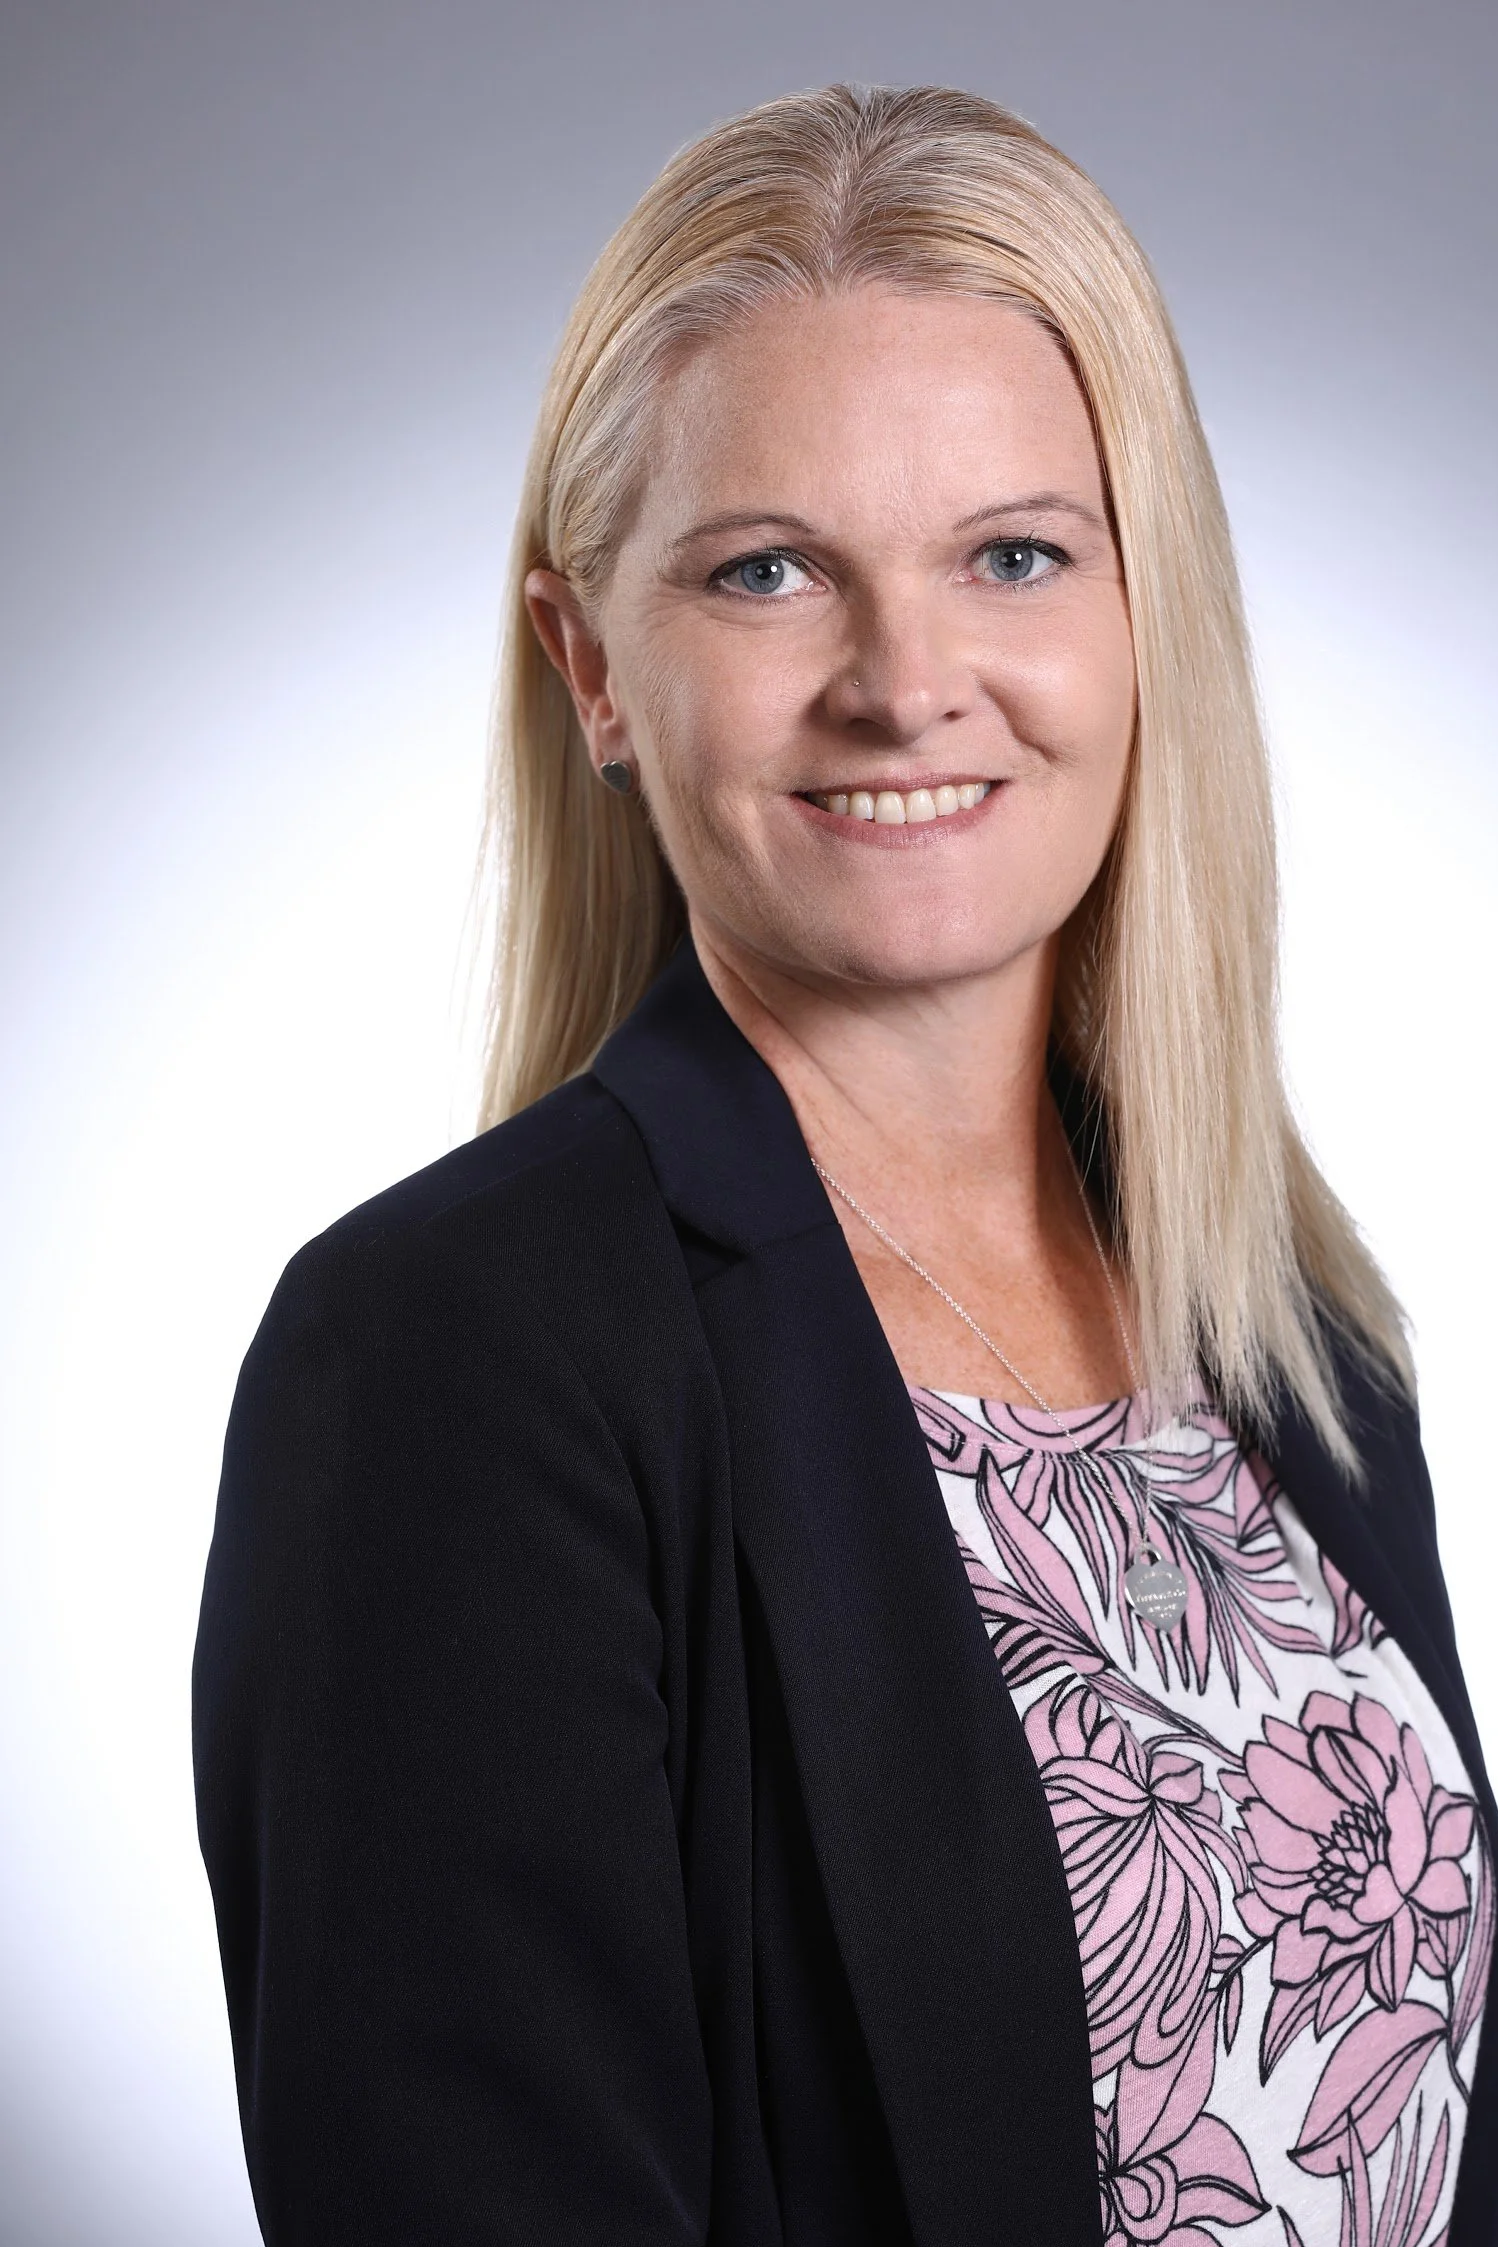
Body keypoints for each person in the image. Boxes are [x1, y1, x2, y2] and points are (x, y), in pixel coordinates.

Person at [192, 83, 1494, 2246]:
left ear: (1137, 610)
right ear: (592, 662)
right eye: (768, 570)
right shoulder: (453, 1357)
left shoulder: (1279, 1324)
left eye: (1011, 553)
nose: (906, 685)